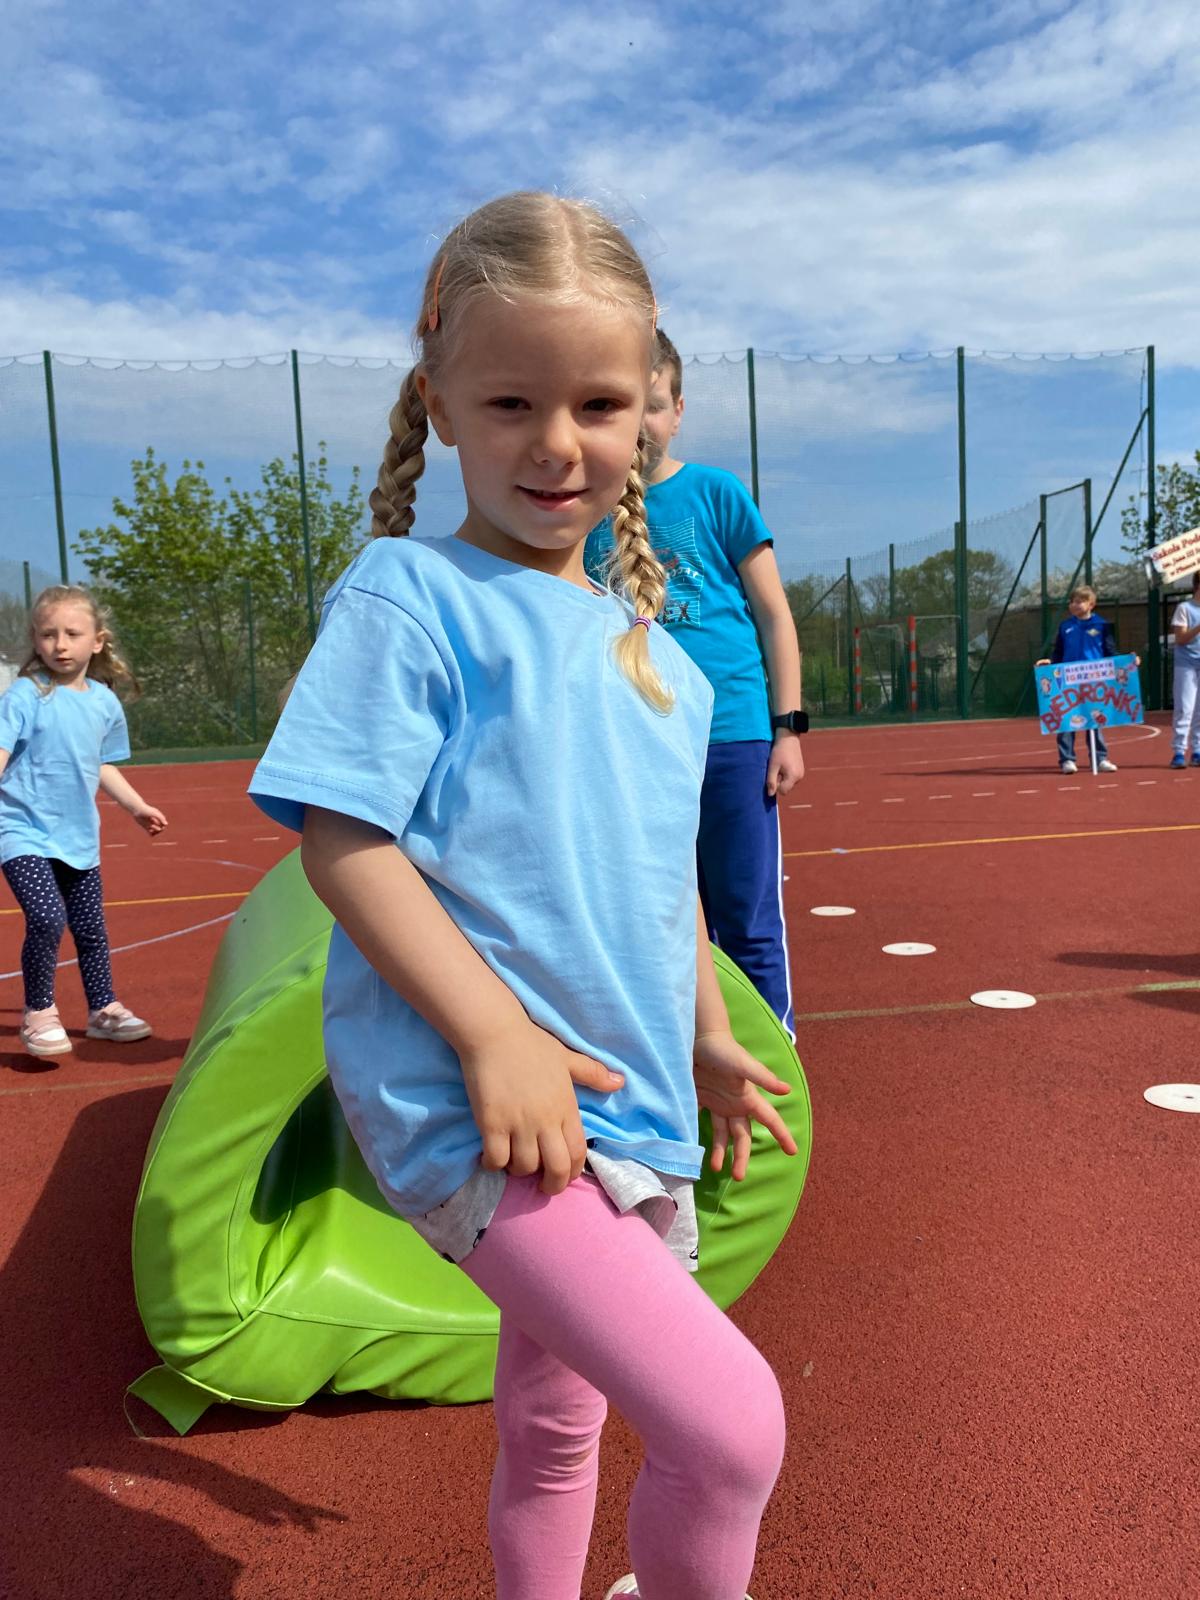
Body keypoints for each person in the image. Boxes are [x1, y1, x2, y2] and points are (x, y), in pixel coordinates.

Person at [249, 192, 796, 1600]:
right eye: (511, 402)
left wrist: (707, 1033)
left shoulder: (656, 655)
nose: (558, 443)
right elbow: (343, 841)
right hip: (479, 1106)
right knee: (732, 1429)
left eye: (598, 404)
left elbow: (659, 880)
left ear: (652, 413)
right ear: (438, 404)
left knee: (558, 1425)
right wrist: (494, 1034)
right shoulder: (410, 596)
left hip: (629, 1107)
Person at [585, 330, 805, 1038]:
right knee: (656, 920)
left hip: (732, 738)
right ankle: (688, 1057)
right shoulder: (583, 512)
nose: (643, 424)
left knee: (745, 913)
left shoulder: (717, 493)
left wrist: (788, 728)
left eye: (655, 406)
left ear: (677, 411)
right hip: (634, 749)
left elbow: (774, 616)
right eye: (624, 406)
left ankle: (772, 1056)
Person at [0, 585, 167, 1058]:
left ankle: (102, 1010)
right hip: (21, 831)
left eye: (72, 634)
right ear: (35, 640)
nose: (60, 644)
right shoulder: (25, 696)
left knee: (91, 930)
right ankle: (39, 1012)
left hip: (78, 838)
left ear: (97, 641)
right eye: (48, 634)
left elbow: (103, 765)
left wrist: (136, 807)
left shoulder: (104, 703)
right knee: (47, 918)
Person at [1035, 585, 1121, 774]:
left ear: (1091, 604)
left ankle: (1100, 759)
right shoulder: (1065, 626)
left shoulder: (1102, 625)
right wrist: (1050, 662)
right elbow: (1059, 652)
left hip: (1094, 680)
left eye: (1079, 601)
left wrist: (1127, 662)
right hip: (1068, 680)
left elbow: (1110, 651)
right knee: (1067, 719)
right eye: (1072, 602)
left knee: (1095, 718)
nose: (1074, 605)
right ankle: (1067, 759)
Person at [1169, 572, 1200, 768]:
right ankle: (1179, 751)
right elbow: (1180, 638)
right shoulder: (1185, 608)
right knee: (1185, 708)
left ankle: (1197, 750)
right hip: (1187, 664)